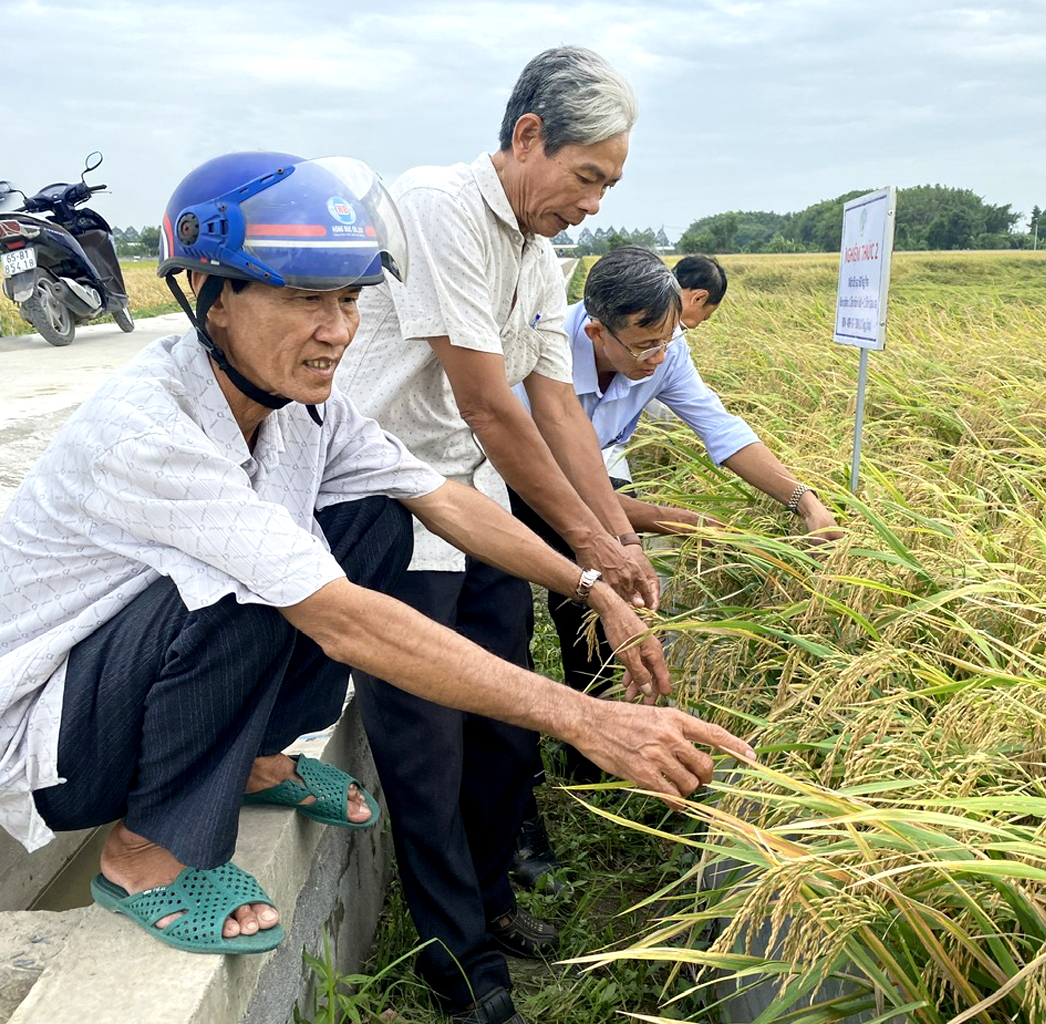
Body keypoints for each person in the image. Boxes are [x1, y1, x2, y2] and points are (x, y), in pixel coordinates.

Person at [0, 152, 750, 1024]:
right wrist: (586, 716)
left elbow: (448, 499)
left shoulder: (306, 410)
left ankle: (245, 761)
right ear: (206, 294)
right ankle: (143, 852)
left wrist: (592, 585)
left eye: (350, 299)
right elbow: (345, 624)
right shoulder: (151, 431)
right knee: (262, 580)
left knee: (380, 521)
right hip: (60, 744)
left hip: (139, 689)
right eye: (303, 297)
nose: (336, 331)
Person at [331, 47, 665, 1022]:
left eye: (610, 183)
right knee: (425, 743)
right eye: (588, 175)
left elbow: (555, 409)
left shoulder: (539, 253)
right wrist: (590, 553)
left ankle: (488, 900)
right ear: (528, 139)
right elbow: (488, 402)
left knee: (506, 723)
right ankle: (459, 965)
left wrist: (616, 542)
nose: (594, 202)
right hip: (385, 499)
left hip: (467, 500)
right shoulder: (440, 207)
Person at [510, 248, 839, 780]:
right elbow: (556, 481)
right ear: (596, 333)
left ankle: (592, 753)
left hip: (594, 480)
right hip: (513, 485)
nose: (658, 357)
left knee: (596, 610)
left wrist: (805, 501)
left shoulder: (665, 350)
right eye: (644, 346)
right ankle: (519, 766)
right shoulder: (543, 350)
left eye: (667, 340)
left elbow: (720, 428)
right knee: (506, 622)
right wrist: (668, 522)